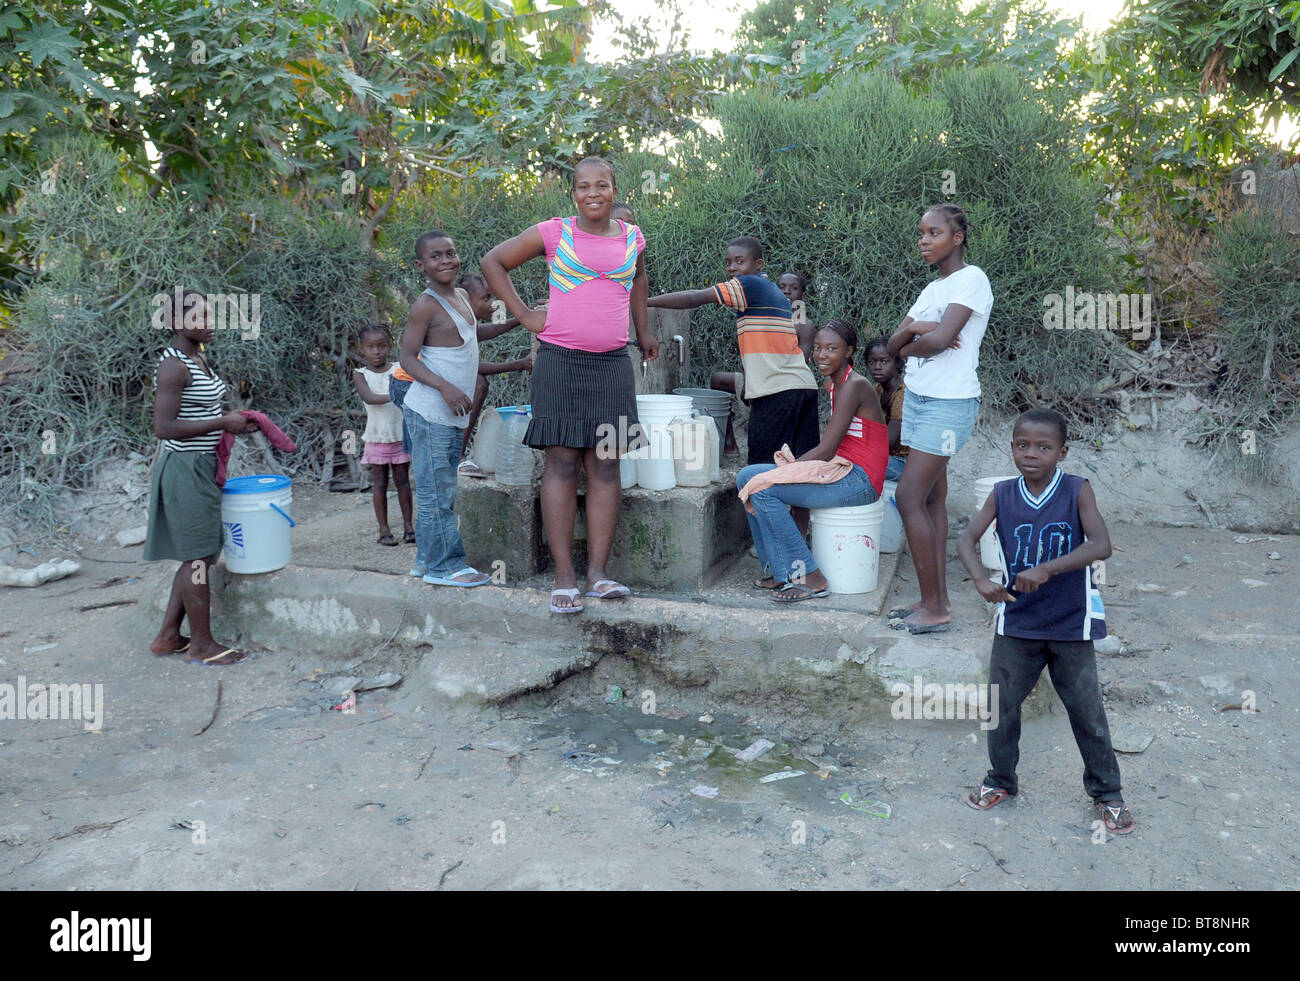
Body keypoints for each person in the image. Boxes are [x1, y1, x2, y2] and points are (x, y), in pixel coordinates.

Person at [480, 156, 660, 613]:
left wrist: (643, 331)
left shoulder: (632, 237)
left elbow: (638, 280)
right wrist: (524, 315)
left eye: (602, 185)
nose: (593, 193)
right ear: (573, 193)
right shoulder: (554, 232)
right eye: (584, 186)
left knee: (604, 466)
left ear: (615, 190)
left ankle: (598, 574)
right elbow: (493, 261)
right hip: (559, 361)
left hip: (612, 364)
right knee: (560, 462)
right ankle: (564, 576)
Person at [957, 408, 1133, 834]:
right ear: (1012, 447)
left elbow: (1103, 545)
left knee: (1086, 711)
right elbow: (966, 539)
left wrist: (1048, 569)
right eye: (1022, 445)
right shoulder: (1002, 493)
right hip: (1017, 621)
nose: (1030, 454)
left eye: (1043, 447)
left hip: (1070, 622)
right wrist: (980, 579)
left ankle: (1108, 794)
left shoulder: (1076, 490)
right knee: (1000, 708)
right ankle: (1000, 780)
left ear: (1062, 451)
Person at [885, 203, 993, 634]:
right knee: (931, 500)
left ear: (958, 237)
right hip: (919, 400)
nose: (924, 240)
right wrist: (915, 334)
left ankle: (936, 608)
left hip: (949, 405)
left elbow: (946, 338)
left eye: (934, 233)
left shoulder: (972, 280)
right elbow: (894, 344)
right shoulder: (932, 290)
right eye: (921, 233)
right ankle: (936, 600)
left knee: (907, 497)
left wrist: (923, 336)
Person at [144, 289, 259, 666]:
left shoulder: (197, 358)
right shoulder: (174, 365)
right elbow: (164, 427)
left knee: (202, 553)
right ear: (178, 323)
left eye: (211, 316)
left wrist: (230, 422)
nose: (210, 324)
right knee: (198, 557)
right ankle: (202, 645)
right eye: (200, 319)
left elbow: (198, 409)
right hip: (185, 467)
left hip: (201, 464)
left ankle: (166, 637)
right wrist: (223, 421)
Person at [737, 320, 888, 602]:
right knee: (746, 476)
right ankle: (779, 570)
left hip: (860, 480)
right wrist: (787, 471)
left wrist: (785, 473)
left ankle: (810, 575)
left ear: (849, 351)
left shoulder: (855, 385)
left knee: (764, 488)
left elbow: (827, 448)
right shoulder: (834, 383)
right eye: (818, 347)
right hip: (842, 469)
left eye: (832, 348)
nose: (821, 354)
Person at [399, 230, 513, 587]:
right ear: (421, 266)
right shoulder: (426, 305)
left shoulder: (461, 296)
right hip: (431, 412)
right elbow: (405, 357)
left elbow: (471, 335)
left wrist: (517, 320)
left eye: (450, 253)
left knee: (439, 488)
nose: (446, 260)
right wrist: (445, 387)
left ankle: (424, 561)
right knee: (438, 492)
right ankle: (445, 567)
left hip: (449, 416)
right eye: (436, 256)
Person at [650, 237, 818, 467]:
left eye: (740, 261)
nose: (732, 268)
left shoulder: (749, 285)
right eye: (728, 262)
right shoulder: (767, 288)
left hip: (777, 390)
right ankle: (800, 505)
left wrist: (644, 302)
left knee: (761, 470)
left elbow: (695, 296)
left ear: (758, 265)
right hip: (803, 386)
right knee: (802, 467)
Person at [453, 272, 532, 477]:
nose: (492, 303)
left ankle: (454, 454)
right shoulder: (453, 322)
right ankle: (457, 456)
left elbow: (486, 331)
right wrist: (519, 364)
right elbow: (472, 367)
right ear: (466, 300)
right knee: (478, 383)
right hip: (417, 383)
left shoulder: (466, 321)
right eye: (486, 298)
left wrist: (525, 316)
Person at [352, 324, 414, 545]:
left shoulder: (399, 369)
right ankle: (384, 530)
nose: (376, 351)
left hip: (399, 435)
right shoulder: (361, 375)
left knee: (403, 482)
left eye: (381, 346)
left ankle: (409, 527)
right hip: (376, 437)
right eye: (370, 347)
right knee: (379, 483)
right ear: (361, 349)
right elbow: (369, 398)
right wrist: (397, 394)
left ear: (390, 346)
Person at [865, 336, 908, 481]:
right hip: (888, 458)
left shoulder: (903, 392)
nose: (877, 367)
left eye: (884, 361)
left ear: (896, 363)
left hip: (905, 463)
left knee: (859, 461)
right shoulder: (878, 390)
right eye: (872, 362)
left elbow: (888, 441)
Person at [777, 271, 814, 359]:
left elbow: (802, 361)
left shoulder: (805, 325)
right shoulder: (766, 318)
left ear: (803, 296)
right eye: (782, 287)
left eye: (794, 288)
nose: (786, 291)